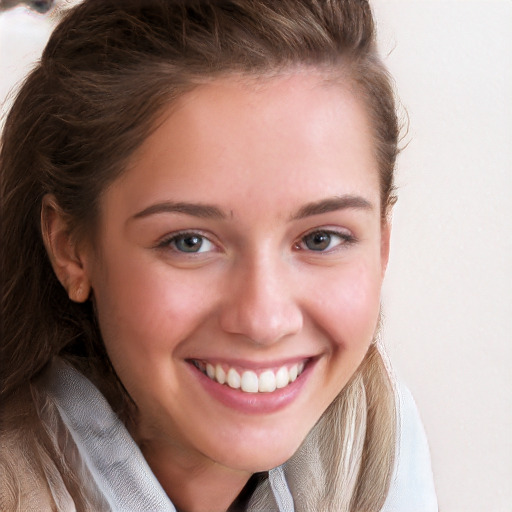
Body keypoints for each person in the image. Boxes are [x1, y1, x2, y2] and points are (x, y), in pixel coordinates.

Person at [0, 1, 438, 510]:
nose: (263, 320)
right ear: (70, 248)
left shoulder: (378, 434)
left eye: (320, 239)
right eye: (190, 242)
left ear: (383, 243)